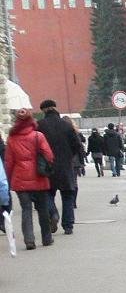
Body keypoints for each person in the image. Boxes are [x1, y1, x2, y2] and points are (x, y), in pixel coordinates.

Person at [6, 110, 58, 249]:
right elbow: (49, 155)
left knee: (26, 210)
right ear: (31, 120)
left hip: (20, 178)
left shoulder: (12, 138)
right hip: (38, 177)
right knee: (42, 209)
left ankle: (29, 240)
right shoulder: (38, 136)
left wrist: (10, 179)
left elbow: (9, 162)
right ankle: (46, 238)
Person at [37, 100, 83, 236]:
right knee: (68, 195)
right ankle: (68, 226)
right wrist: (69, 156)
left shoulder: (39, 126)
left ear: (43, 110)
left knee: (47, 194)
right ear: (55, 108)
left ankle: (53, 213)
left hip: (47, 166)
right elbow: (77, 145)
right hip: (65, 166)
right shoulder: (66, 125)